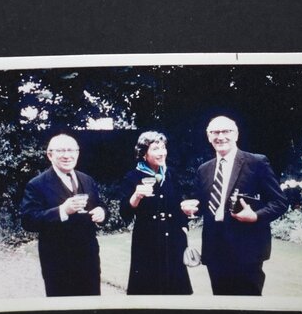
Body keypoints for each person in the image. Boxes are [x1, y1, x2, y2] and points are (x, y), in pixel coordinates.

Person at [182, 116, 287, 296]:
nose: (220, 136)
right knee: (221, 305)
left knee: (248, 306)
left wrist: (256, 216)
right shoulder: (204, 169)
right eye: (215, 132)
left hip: (247, 248)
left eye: (226, 131)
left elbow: (280, 202)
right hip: (214, 249)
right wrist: (189, 207)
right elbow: (201, 204)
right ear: (208, 136)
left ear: (236, 135)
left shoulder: (256, 163)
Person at [20, 134, 106, 296]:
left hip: (89, 259)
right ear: (50, 155)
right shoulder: (36, 184)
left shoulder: (87, 180)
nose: (67, 155)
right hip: (57, 262)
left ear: (78, 153)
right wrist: (62, 211)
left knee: (92, 309)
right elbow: (28, 220)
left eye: (71, 150)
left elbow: (100, 205)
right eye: (61, 150)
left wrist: (102, 213)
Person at [119, 131, 193, 295]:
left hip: (173, 240)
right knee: (148, 292)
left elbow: (178, 204)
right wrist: (136, 196)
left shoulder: (170, 174)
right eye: (155, 148)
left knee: (176, 294)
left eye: (163, 147)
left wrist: (185, 224)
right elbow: (124, 211)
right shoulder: (132, 177)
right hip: (147, 241)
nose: (162, 152)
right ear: (144, 153)